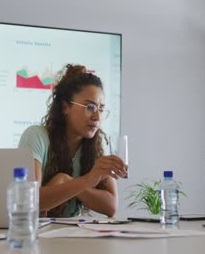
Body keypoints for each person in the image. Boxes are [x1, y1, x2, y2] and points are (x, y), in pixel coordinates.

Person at [18, 64, 127, 217]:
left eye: (101, 108)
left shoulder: (96, 144)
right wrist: (88, 180)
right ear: (65, 108)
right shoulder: (36, 136)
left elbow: (110, 206)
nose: (97, 117)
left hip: (72, 235)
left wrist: (66, 181)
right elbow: (30, 201)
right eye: (90, 107)